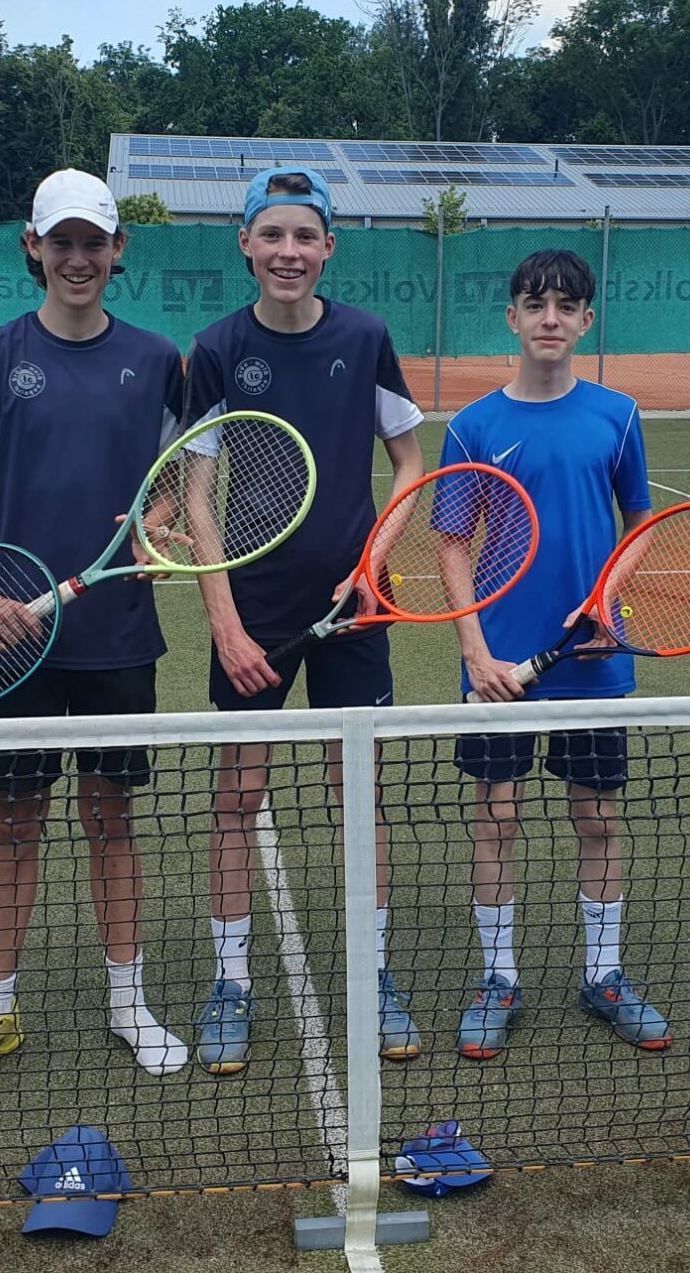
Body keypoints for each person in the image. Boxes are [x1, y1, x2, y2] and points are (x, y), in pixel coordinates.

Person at [0, 169, 189, 1093]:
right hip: (14, 642)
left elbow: (167, 487)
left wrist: (158, 528)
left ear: (119, 252)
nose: (78, 259)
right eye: (61, 241)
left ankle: (128, 1004)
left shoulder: (160, 360)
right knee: (13, 823)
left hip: (120, 635)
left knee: (113, 821)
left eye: (95, 242)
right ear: (32, 247)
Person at [186, 167, 426, 1072]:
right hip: (253, 602)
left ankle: (373, 975)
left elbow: (409, 464)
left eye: (305, 237)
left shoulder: (367, 338)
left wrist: (374, 565)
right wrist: (226, 623)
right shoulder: (213, 349)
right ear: (246, 244)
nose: (289, 252)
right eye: (272, 235)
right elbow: (197, 495)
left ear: (329, 247)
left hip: (356, 602)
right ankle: (230, 984)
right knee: (237, 796)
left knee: (354, 792)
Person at [441, 249, 663, 1059]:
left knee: (597, 819)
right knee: (496, 820)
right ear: (512, 317)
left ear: (586, 321)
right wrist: (475, 653)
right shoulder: (474, 426)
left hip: (594, 661)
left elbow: (638, 523)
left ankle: (604, 974)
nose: (550, 318)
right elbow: (452, 542)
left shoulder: (620, 414)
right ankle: (497, 978)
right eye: (535, 304)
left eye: (567, 306)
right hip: (500, 665)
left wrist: (612, 602)